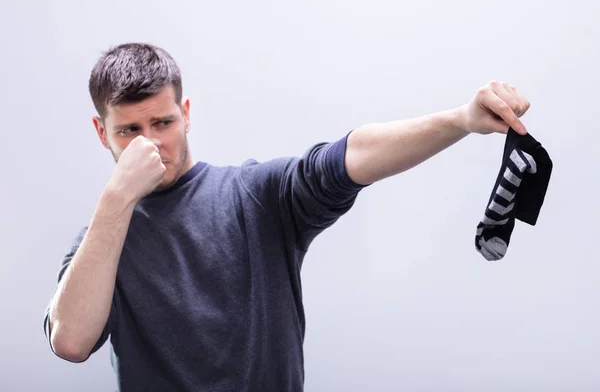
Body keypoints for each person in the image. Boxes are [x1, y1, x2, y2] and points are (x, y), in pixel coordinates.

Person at [43, 42, 531, 392]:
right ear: (100, 132)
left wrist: (462, 120)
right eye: (128, 130)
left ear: (186, 114)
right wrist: (116, 200)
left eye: (163, 123)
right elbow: (70, 342)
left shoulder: (253, 196)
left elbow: (348, 157)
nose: (150, 142)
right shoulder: (101, 242)